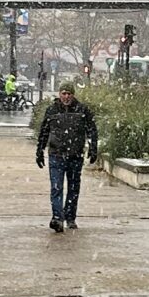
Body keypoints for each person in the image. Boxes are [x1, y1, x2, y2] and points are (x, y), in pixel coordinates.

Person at [35, 79, 99, 233]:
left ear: (73, 95)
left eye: (69, 93)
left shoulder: (82, 110)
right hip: (56, 154)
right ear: (59, 94)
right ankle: (57, 217)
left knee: (73, 187)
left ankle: (70, 217)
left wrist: (93, 148)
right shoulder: (52, 110)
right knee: (56, 187)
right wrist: (40, 150)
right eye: (64, 93)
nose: (66, 97)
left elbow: (92, 129)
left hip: (75, 155)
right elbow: (44, 131)